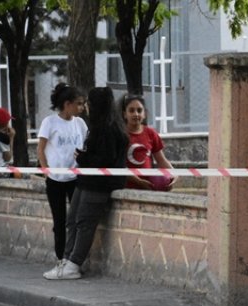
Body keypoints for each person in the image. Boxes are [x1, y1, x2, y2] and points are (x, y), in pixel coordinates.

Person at [44, 87, 129, 281]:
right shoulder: (98, 126)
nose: (86, 107)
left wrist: (82, 157)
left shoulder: (109, 128)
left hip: (99, 184)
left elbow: (105, 158)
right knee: (72, 220)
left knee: (84, 222)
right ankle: (66, 260)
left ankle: (74, 263)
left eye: (89, 103)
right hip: (86, 180)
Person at [38, 83, 89, 261]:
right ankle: (61, 258)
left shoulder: (80, 123)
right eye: (79, 103)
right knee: (59, 221)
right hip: (55, 180)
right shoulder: (49, 122)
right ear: (67, 104)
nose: (82, 108)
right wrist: (46, 171)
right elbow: (41, 149)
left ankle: (74, 257)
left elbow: (85, 145)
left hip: (75, 178)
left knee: (75, 220)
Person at [120, 94, 175, 191]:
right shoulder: (120, 135)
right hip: (126, 189)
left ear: (144, 114)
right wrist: (138, 181)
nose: (136, 114)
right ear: (125, 114)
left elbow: (161, 160)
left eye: (139, 110)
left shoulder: (151, 133)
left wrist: (174, 174)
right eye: (131, 110)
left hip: (148, 189)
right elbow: (119, 165)